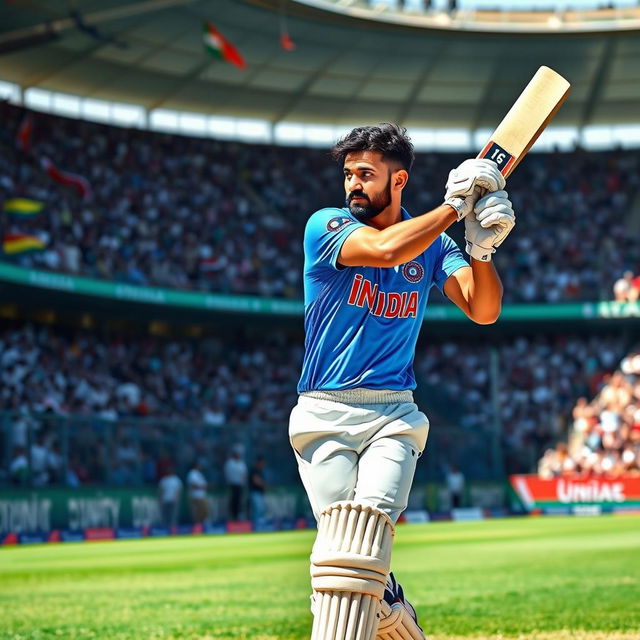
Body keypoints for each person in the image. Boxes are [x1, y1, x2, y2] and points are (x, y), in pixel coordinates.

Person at [288, 123, 515, 640]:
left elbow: (483, 309)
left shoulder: (432, 246)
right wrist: (455, 211)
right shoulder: (325, 226)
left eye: (366, 174)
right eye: (348, 174)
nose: (353, 185)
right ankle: (394, 611)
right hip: (321, 413)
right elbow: (388, 249)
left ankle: (384, 598)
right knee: (347, 562)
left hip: (393, 415)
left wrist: (481, 255)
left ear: (399, 180)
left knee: (357, 546)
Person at [224, 447, 248, 521]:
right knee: (233, 500)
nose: (238, 455)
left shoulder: (241, 463)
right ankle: (232, 516)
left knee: (239, 500)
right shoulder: (230, 463)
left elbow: (245, 474)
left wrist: (243, 482)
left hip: (240, 485)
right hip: (232, 485)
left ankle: (239, 515)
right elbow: (228, 474)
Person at [158, 464, 183, 530]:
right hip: (165, 500)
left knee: (173, 516)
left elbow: (178, 490)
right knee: (165, 516)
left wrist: (177, 499)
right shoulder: (164, 480)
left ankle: (173, 530)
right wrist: (161, 500)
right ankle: (164, 529)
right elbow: (161, 491)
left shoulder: (176, 480)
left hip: (173, 500)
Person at [186, 461, 209, 525]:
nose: (200, 467)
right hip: (196, 496)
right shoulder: (192, 473)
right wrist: (202, 487)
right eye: (199, 465)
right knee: (197, 512)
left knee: (204, 511)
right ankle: (197, 525)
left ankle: (201, 524)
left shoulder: (198, 473)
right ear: (196, 466)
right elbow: (192, 485)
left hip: (201, 495)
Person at [249, 455, 267, 525]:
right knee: (258, 509)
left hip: (260, 493)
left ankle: (259, 524)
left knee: (261, 509)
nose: (263, 464)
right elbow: (256, 480)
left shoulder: (260, 471)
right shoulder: (254, 470)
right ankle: (256, 525)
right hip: (255, 492)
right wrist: (264, 484)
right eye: (262, 463)